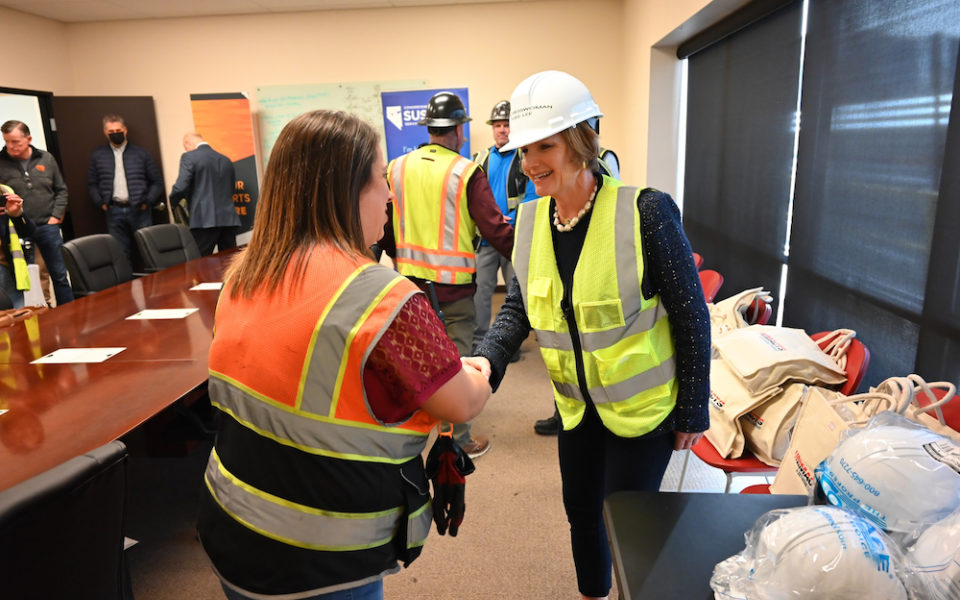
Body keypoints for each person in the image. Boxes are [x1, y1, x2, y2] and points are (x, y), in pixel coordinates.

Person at [197, 109, 493, 600]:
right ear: (345, 189)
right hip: (323, 556)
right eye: (381, 178)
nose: (391, 194)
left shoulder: (242, 275)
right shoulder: (381, 296)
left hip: (232, 524)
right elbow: (461, 404)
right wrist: (478, 369)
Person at [467, 71, 711, 600]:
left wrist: (693, 407)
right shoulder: (531, 223)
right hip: (576, 407)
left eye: (545, 146)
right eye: (525, 147)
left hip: (641, 411)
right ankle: (593, 594)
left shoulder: (646, 211)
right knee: (580, 509)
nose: (529, 162)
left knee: (629, 522)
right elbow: (518, 309)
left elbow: (691, 313)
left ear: (582, 140)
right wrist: (487, 360)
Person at [377, 91, 514, 460]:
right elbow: (496, 230)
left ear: (429, 129)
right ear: (458, 130)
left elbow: (383, 227)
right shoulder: (466, 171)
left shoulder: (396, 168)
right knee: (455, 364)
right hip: (452, 294)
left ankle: (412, 429)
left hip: (407, 287)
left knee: (413, 358)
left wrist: (401, 257)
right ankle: (457, 441)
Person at [470, 100, 538, 357]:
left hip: (514, 238)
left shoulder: (526, 156)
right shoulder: (479, 159)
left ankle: (512, 345)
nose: (502, 130)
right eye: (497, 125)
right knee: (481, 292)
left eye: (507, 124)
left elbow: (534, 196)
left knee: (514, 294)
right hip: (486, 240)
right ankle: (479, 343)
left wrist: (512, 215)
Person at [0, 120, 74, 306]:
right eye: (7, 141)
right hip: (17, 230)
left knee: (59, 274)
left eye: (16, 141)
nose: (11, 146)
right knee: (31, 277)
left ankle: (69, 310)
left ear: (28, 138)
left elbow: (61, 190)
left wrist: (55, 217)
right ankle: (41, 311)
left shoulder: (46, 158)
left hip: (47, 226)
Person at [87, 115, 164, 265]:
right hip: (114, 210)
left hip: (140, 210)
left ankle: (157, 286)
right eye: (111, 131)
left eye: (118, 130)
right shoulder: (98, 155)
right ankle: (125, 287)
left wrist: (147, 202)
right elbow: (92, 183)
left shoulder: (141, 153)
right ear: (105, 132)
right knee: (120, 254)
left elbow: (157, 181)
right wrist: (101, 203)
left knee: (149, 251)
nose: (115, 133)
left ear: (125, 130)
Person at [169, 132, 241, 255]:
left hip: (203, 220)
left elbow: (180, 187)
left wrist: (173, 203)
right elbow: (231, 188)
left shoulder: (189, 157)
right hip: (229, 219)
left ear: (188, 143)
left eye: (185, 147)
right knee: (230, 260)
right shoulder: (225, 159)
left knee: (198, 262)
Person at [0, 184, 35, 308]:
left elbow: (29, 232)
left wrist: (17, 214)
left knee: (18, 315)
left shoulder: (5, 191)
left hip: (6, 265)